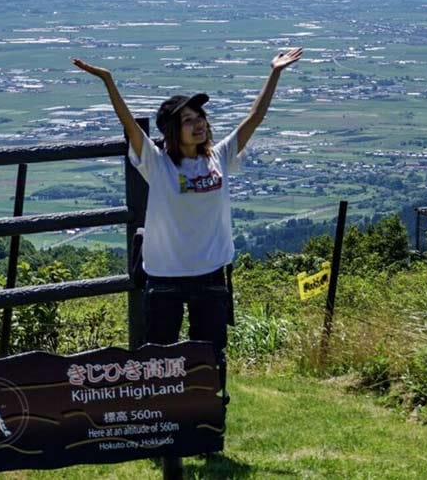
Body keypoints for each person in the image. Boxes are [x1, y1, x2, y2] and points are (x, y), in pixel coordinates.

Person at [72, 47, 303, 399]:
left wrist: (275, 72)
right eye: (188, 120)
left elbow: (254, 118)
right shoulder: (157, 163)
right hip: (164, 274)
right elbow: (130, 125)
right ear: (171, 131)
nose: (199, 124)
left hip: (210, 272)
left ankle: (208, 420)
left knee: (209, 356)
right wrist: (109, 82)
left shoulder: (220, 157)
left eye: (200, 117)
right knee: (158, 358)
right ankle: (161, 422)